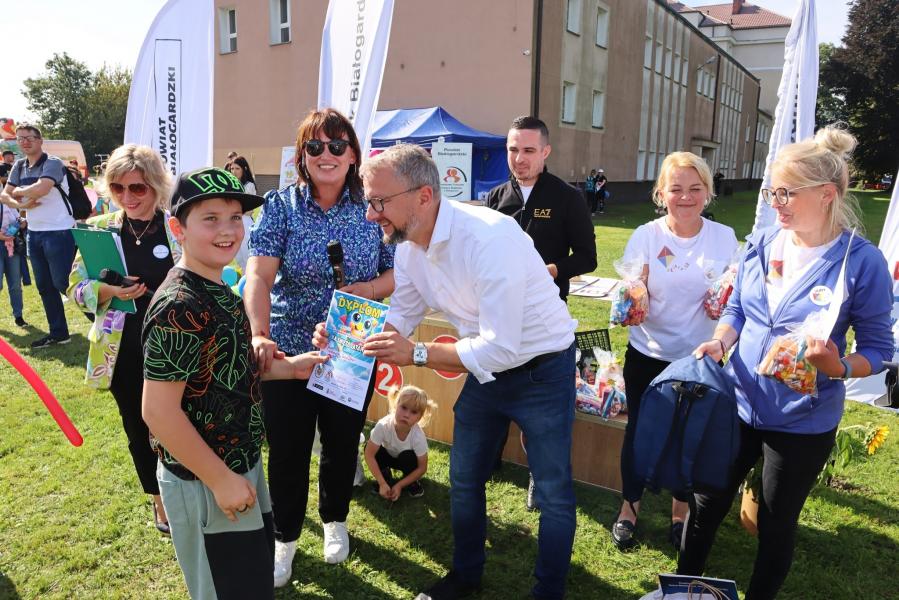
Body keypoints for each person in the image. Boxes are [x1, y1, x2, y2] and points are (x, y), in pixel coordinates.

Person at [330, 143, 577, 600]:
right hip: (487, 374)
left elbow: (500, 346)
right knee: (464, 479)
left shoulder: (490, 238)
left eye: (379, 201)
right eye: (369, 201)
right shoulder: (407, 248)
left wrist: (417, 354)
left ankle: (549, 592)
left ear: (424, 196)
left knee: (553, 491)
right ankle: (465, 576)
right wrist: (347, 339)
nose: (370, 214)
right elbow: (401, 316)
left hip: (543, 371)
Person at [680, 127, 894, 599]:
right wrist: (720, 341)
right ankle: (681, 589)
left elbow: (880, 349)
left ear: (827, 194)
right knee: (706, 503)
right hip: (737, 402)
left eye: (787, 193)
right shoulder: (763, 241)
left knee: (775, 524)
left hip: (801, 421)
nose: (776, 203)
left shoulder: (862, 262)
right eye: (771, 192)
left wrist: (838, 367)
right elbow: (737, 308)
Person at [142, 166, 328, 599]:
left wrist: (289, 368)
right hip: (205, 478)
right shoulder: (179, 306)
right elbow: (158, 412)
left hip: (238, 464)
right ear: (177, 229)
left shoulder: (219, 287)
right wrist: (220, 480)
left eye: (235, 218)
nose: (227, 230)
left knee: (250, 583)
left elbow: (225, 367)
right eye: (210, 219)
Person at [245, 108, 395, 584]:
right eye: (314, 146)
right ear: (302, 156)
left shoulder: (373, 207)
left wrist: (366, 290)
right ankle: (284, 538)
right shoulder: (281, 206)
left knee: (341, 442)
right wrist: (260, 334)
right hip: (289, 352)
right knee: (287, 449)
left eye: (336, 145)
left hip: (352, 348)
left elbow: (399, 271)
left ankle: (335, 520)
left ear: (352, 155)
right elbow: (258, 276)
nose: (325, 154)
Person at [610, 152, 738, 552]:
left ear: (708, 192)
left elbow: (734, 300)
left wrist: (728, 292)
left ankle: (680, 512)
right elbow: (631, 297)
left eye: (695, 188)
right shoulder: (646, 236)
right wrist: (634, 292)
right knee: (639, 432)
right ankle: (629, 507)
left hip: (700, 358)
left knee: (689, 436)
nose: (686, 197)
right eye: (676, 189)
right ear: (661, 193)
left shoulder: (724, 237)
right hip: (648, 352)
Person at [67, 144, 180, 535]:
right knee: (138, 427)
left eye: (138, 188)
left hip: (177, 345)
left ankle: (194, 490)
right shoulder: (97, 230)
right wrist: (108, 291)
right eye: (117, 188)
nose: (128, 197)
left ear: (156, 185)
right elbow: (74, 289)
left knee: (185, 422)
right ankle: (160, 500)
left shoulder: (177, 227)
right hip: (122, 349)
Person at [486, 116, 596, 301]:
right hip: (501, 302)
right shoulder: (495, 197)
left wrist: (549, 271)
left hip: (546, 305)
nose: (519, 159)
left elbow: (587, 258)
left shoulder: (568, 197)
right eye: (513, 150)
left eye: (528, 150)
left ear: (545, 152)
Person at [0, 123, 76, 348]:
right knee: (44, 286)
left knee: (64, 283)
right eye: (20, 138)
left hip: (59, 232)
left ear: (40, 140)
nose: (24, 142)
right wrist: (22, 204)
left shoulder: (52, 162)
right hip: (34, 234)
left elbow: (42, 188)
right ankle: (59, 333)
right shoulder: (19, 165)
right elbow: (4, 196)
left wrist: (18, 192)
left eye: (29, 137)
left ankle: (102, 324)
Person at [364, 384, 436, 501]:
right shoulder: (383, 425)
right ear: (396, 405)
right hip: (388, 457)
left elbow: (422, 468)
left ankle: (410, 481)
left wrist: (399, 485)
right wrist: (382, 483)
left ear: (419, 417)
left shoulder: (418, 436)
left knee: (408, 456)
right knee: (371, 448)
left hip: (406, 462)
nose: (406, 415)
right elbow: (369, 454)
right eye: (403, 407)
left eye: (414, 412)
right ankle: (384, 476)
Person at [228, 156, 257, 272]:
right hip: (231, 222)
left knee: (246, 253)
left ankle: (250, 276)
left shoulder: (249, 186)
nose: (234, 172)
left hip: (244, 222)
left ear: (244, 169)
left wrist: (235, 211)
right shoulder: (229, 185)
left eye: (237, 168)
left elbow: (250, 210)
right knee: (237, 254)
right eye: (232, 169)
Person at [0, 202, 26, 326]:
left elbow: (21, 220)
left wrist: (21, 222)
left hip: (12, 246)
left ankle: (18, 316)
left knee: (15, 284)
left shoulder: (8, 203)